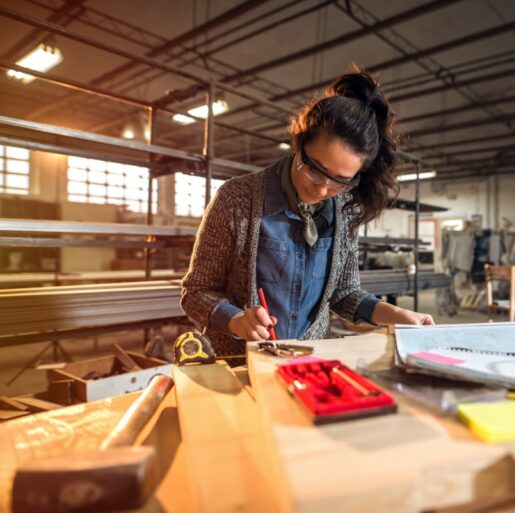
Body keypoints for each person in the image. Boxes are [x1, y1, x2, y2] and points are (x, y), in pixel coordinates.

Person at [181, 67, 434, 356]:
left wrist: (398, 316)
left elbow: (345, 293)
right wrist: (236, 320)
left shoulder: (345, 210)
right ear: (298, 145)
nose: (323, 189)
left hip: (310, 359)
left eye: (340, 180)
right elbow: (196, 291)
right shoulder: (237, 199)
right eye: (315, 169)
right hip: (239, 361)